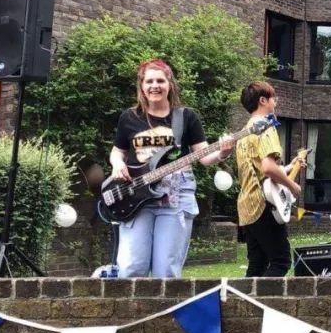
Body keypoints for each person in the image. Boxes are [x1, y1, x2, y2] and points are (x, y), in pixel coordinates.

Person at [109, 59, 233, 278]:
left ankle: (165, 312)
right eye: (149, 81)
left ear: (170, 85)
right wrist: (118, 164)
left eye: (160, 80)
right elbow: (118, 151)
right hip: (137, 196)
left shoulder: (185, 117)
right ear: (142, 86)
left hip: (175, 198)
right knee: (131, 267)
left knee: (165, 271)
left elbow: (203, 156)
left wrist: (223, 152)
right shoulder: (129, 117)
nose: (154, 86)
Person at [235, 81, 302, 277]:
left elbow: (259, 168)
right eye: (273, 98)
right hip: (264, 205)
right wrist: (292, 185)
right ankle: (263, 306)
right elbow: (268, 167)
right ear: (263, 100)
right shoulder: (266, 126)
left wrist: (290, 166)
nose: (276, 102)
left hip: (247, 206)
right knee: (281, 261)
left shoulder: (244, 132)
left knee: (257, 264)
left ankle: (244, 305)